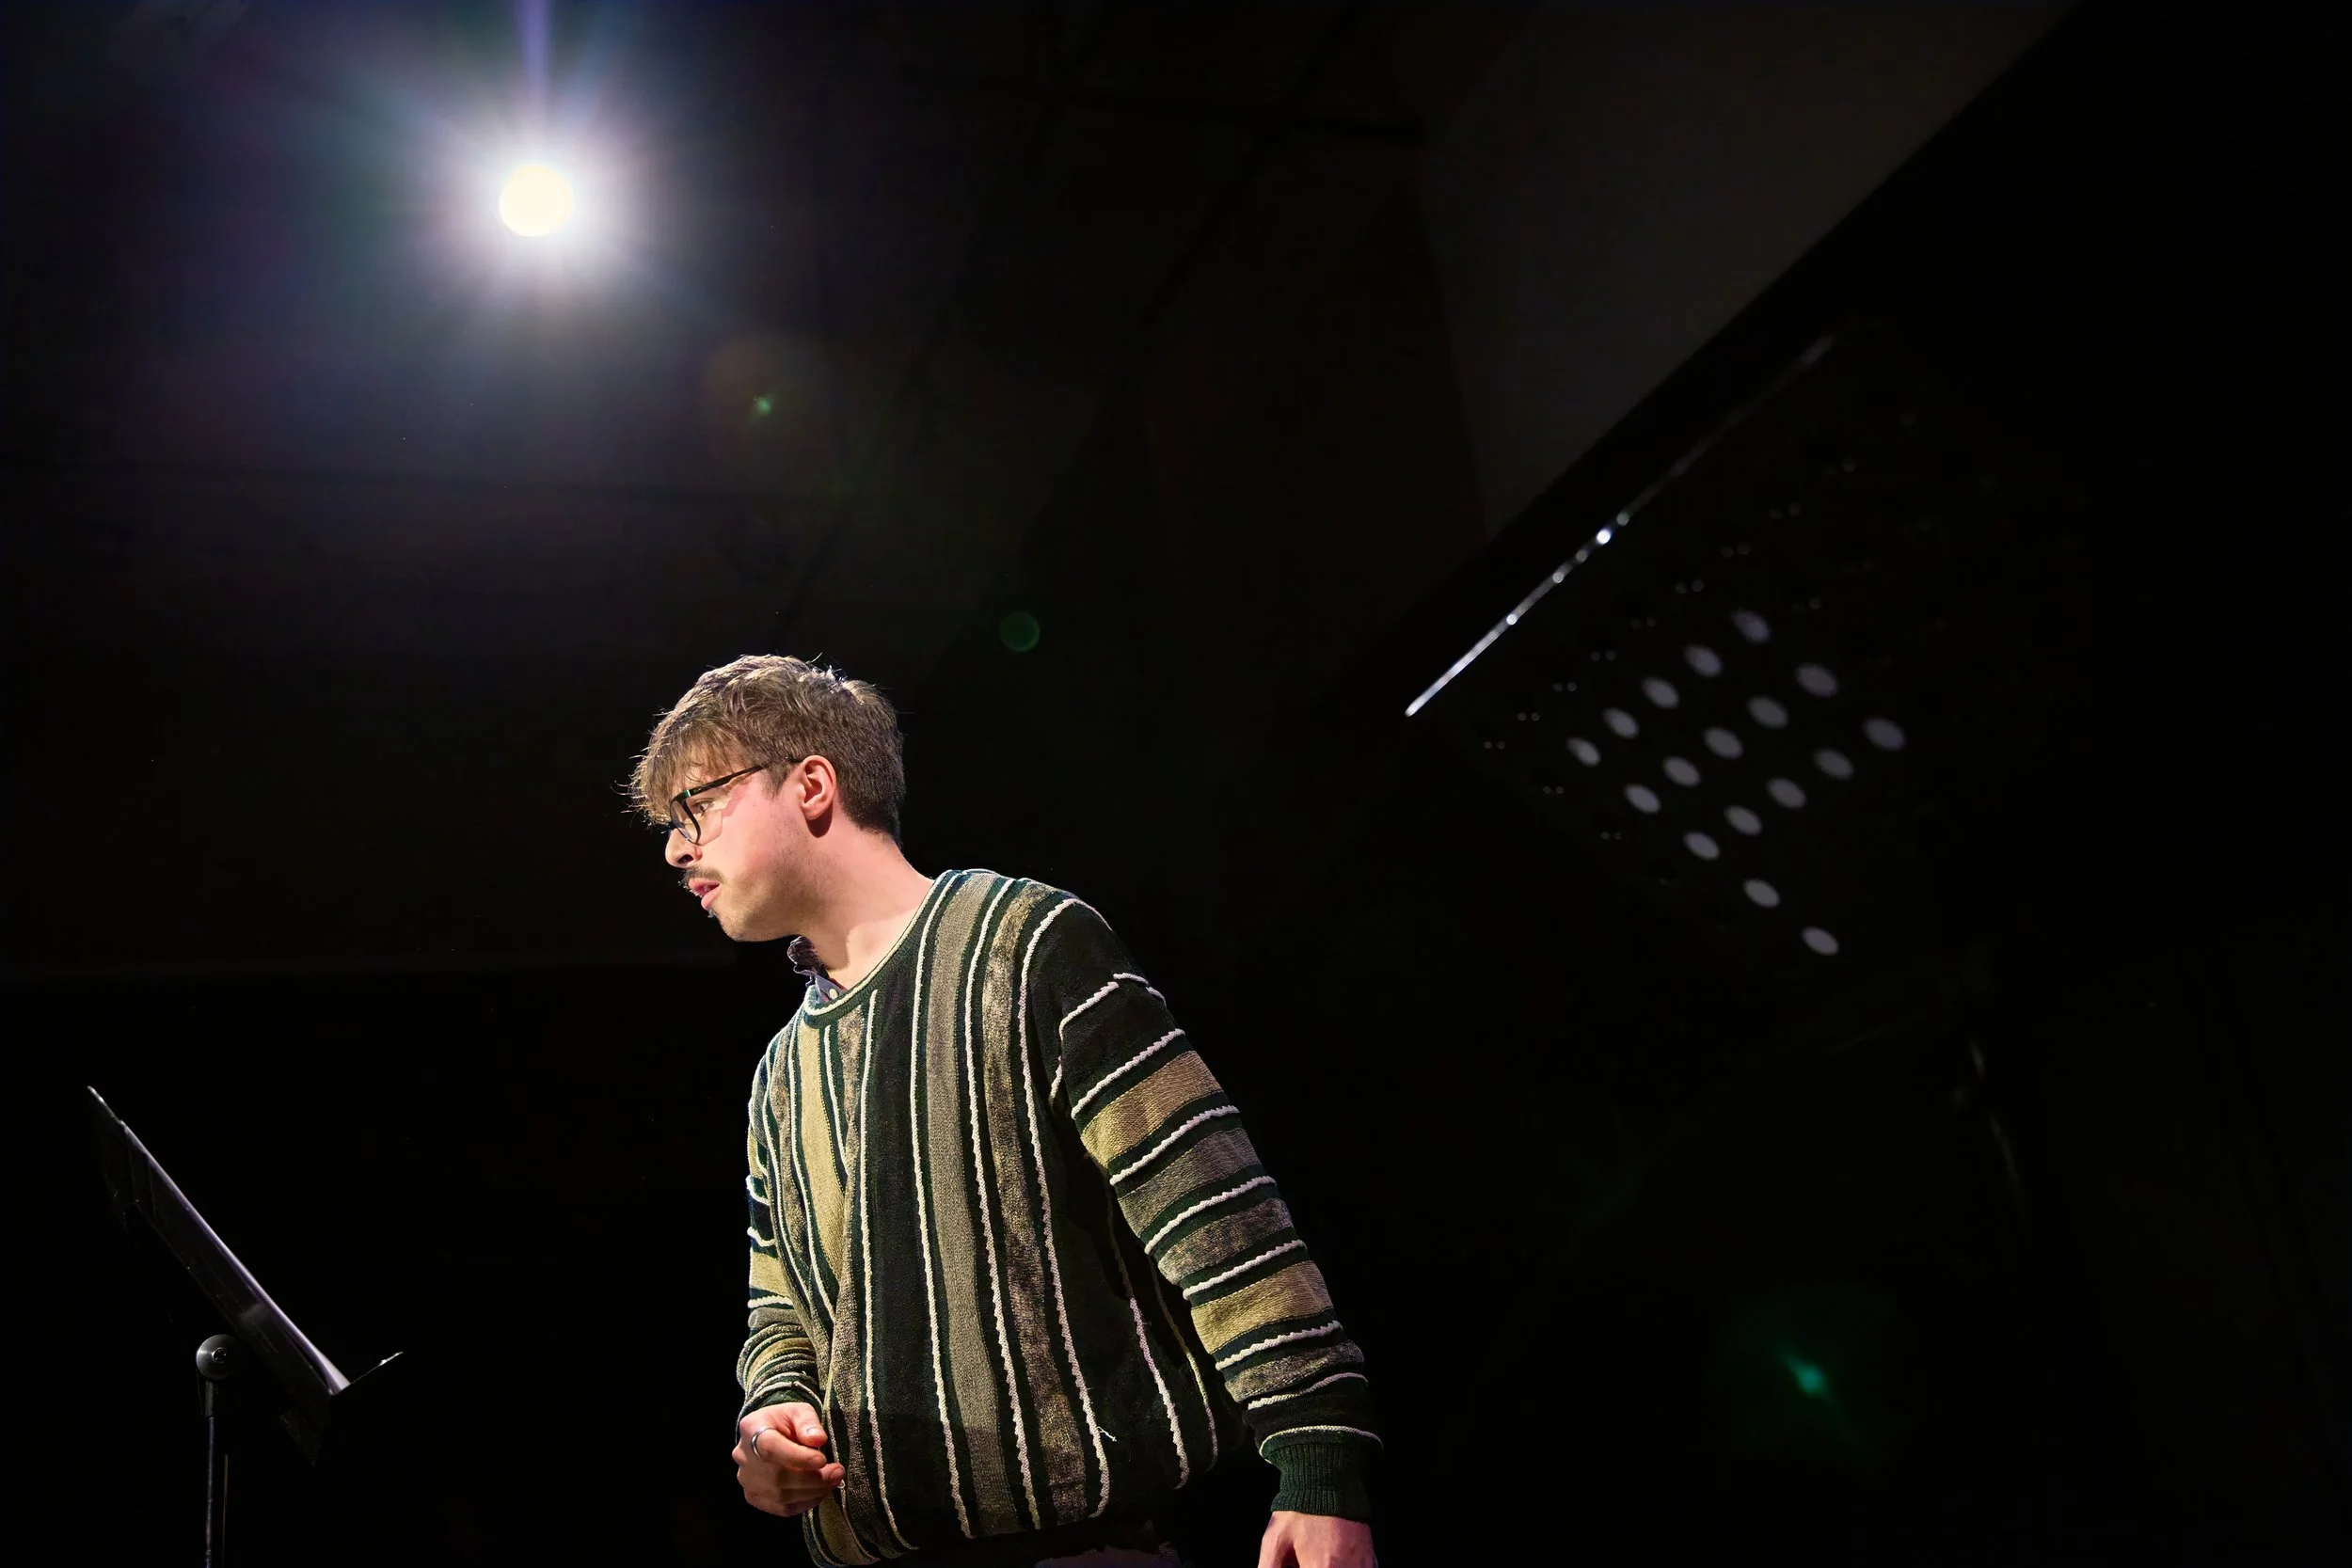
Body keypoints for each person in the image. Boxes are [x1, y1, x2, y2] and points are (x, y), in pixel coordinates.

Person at [631, 656, 1378, 1568]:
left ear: (812, 786)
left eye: (696, 805)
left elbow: (1212, 1208)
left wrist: (1318, 1461)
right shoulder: (781, 1073)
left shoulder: (1025, 947)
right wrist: (773, 1413)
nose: (676, 849)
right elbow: (781, 1304)